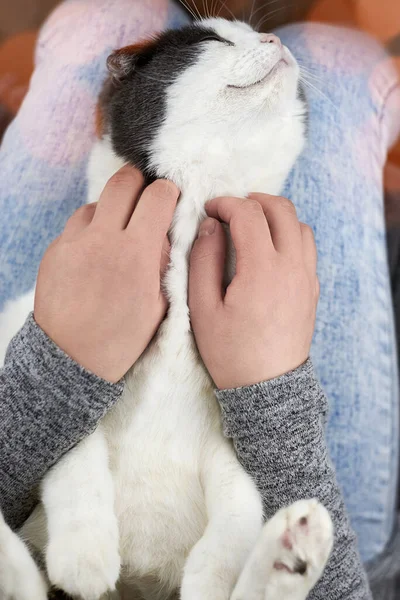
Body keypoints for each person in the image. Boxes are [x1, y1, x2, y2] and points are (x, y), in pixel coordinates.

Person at [0, 0, 399, 598]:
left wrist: (56, 372)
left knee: (102, 17)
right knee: (343, 66)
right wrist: (275, 393)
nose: (269, 47)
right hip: (307, 530)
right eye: (224, 42)